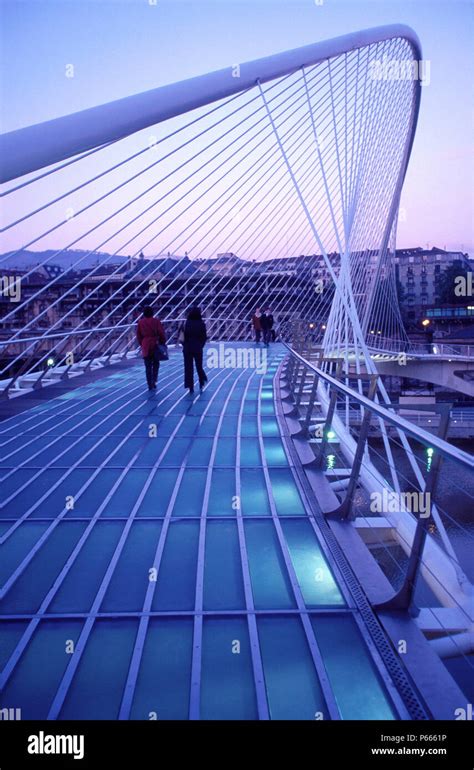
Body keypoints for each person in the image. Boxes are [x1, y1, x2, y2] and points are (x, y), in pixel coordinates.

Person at [136, 305, 166, 390]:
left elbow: (138, 335)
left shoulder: (140, 322)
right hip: (155, 344)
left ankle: (149, 383)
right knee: (156, 364)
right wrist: (163, 342)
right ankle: (154, 381)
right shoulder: (156, 321)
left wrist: (142, 344)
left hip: (146, 345)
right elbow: (161, 333)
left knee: (148, 365)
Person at [182, 306, 208, 394]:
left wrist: (185, 345)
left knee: (188, 367)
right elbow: (204, 337)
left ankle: (190, 386)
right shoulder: (201, 323)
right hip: (197, 347)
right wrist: (201, 345)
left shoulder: (186, 323)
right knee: (199, 366)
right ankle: (201, 382)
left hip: (187, 348)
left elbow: (182, 337)